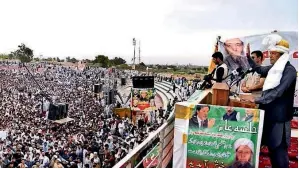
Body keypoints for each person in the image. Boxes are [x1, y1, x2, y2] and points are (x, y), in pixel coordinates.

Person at [248, 34, 296, 168]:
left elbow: (277, 92)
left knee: (279, 154)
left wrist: (257, 99)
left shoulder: (289, 71)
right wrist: (247, 57)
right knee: (270, 151)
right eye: (270, 53)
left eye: (274, 53)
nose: (270, 56)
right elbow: (258, 69)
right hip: (268, 116)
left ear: (282, 55)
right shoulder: (273, 69)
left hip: (279, 121)